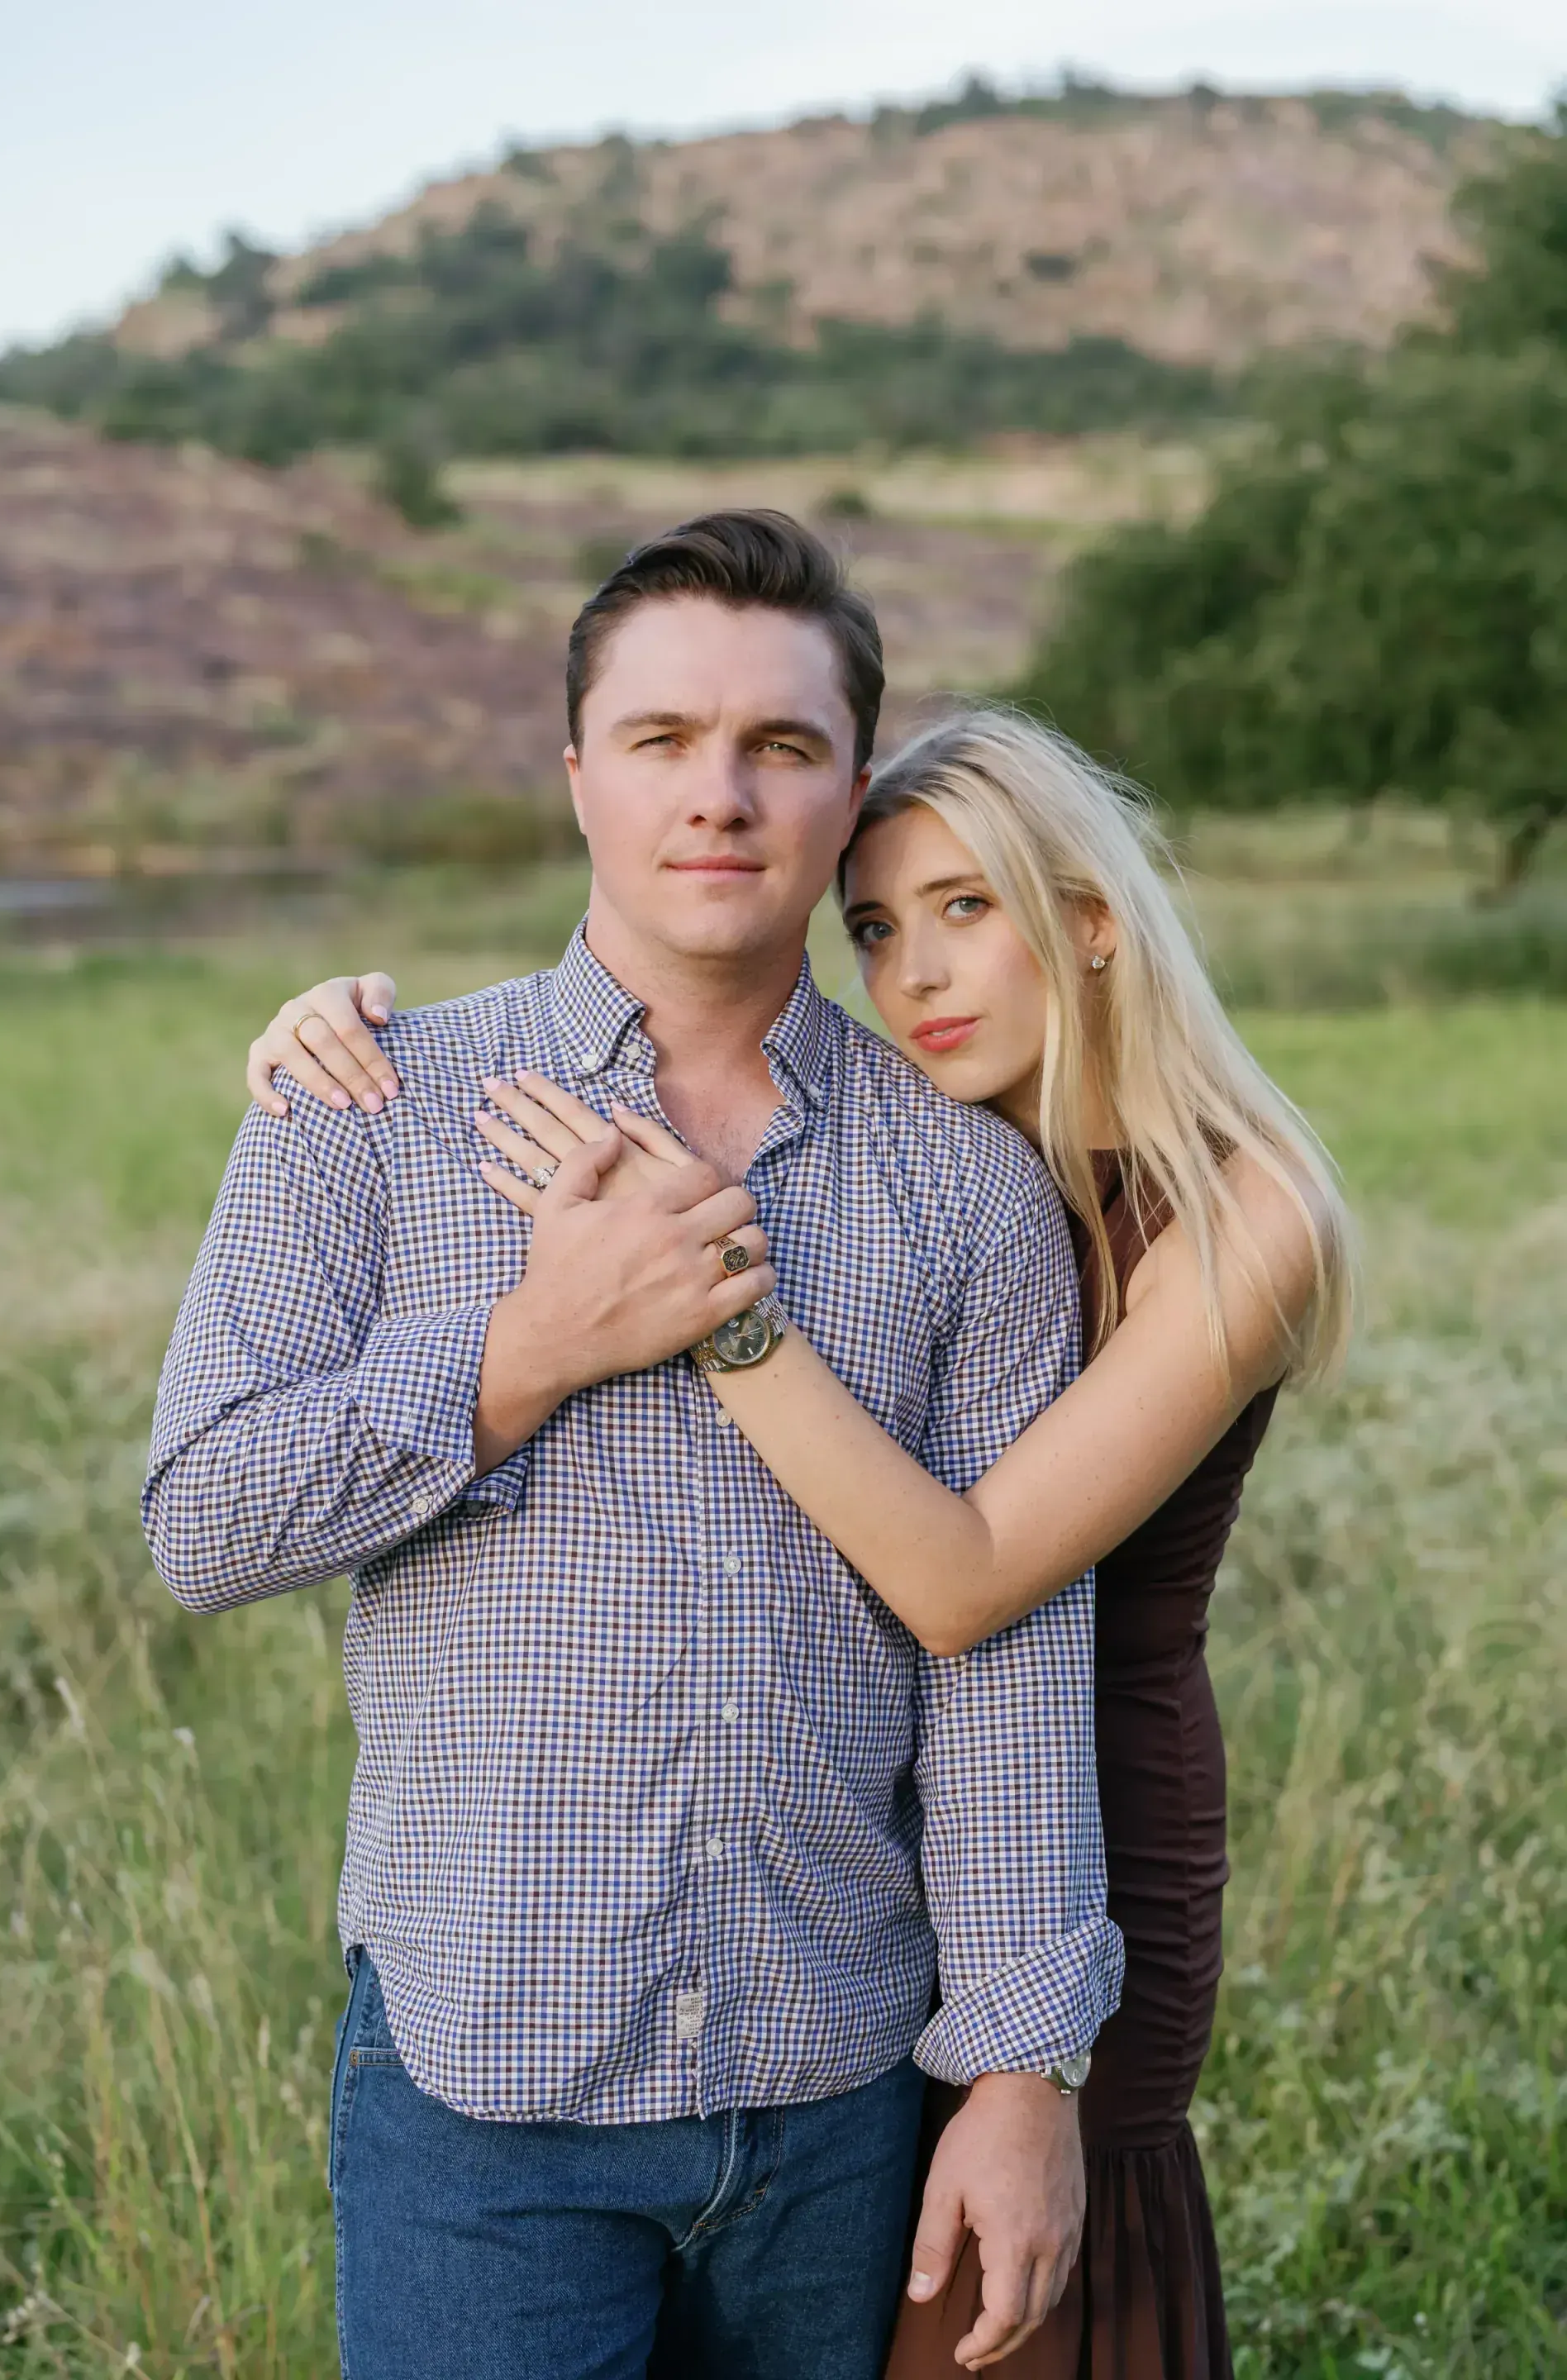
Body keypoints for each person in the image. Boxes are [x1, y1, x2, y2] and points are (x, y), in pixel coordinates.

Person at [254, 707, 1355, 2380]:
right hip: (855, 1855)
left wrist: (708, 1307)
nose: (917, 975)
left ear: (1094, 920)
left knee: (999, 2322)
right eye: (878, 928)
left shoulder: (1244, 1211)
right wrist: (348, 1032)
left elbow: (970, 1576)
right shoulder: (956, 1162)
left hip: (1083, 1821)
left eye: (967, 907)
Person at [146, 512, 1123, 2380]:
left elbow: (1000, 1647)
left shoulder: (967, 1191)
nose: (721, 797)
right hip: (481, 2097)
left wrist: (1019, 2072)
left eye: (782, 747)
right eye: (665, 741)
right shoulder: (366, 1107)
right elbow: (204, 1523)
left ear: (852, 794)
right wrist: (525, 1353)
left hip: (838, 2096)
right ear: (579, 774)